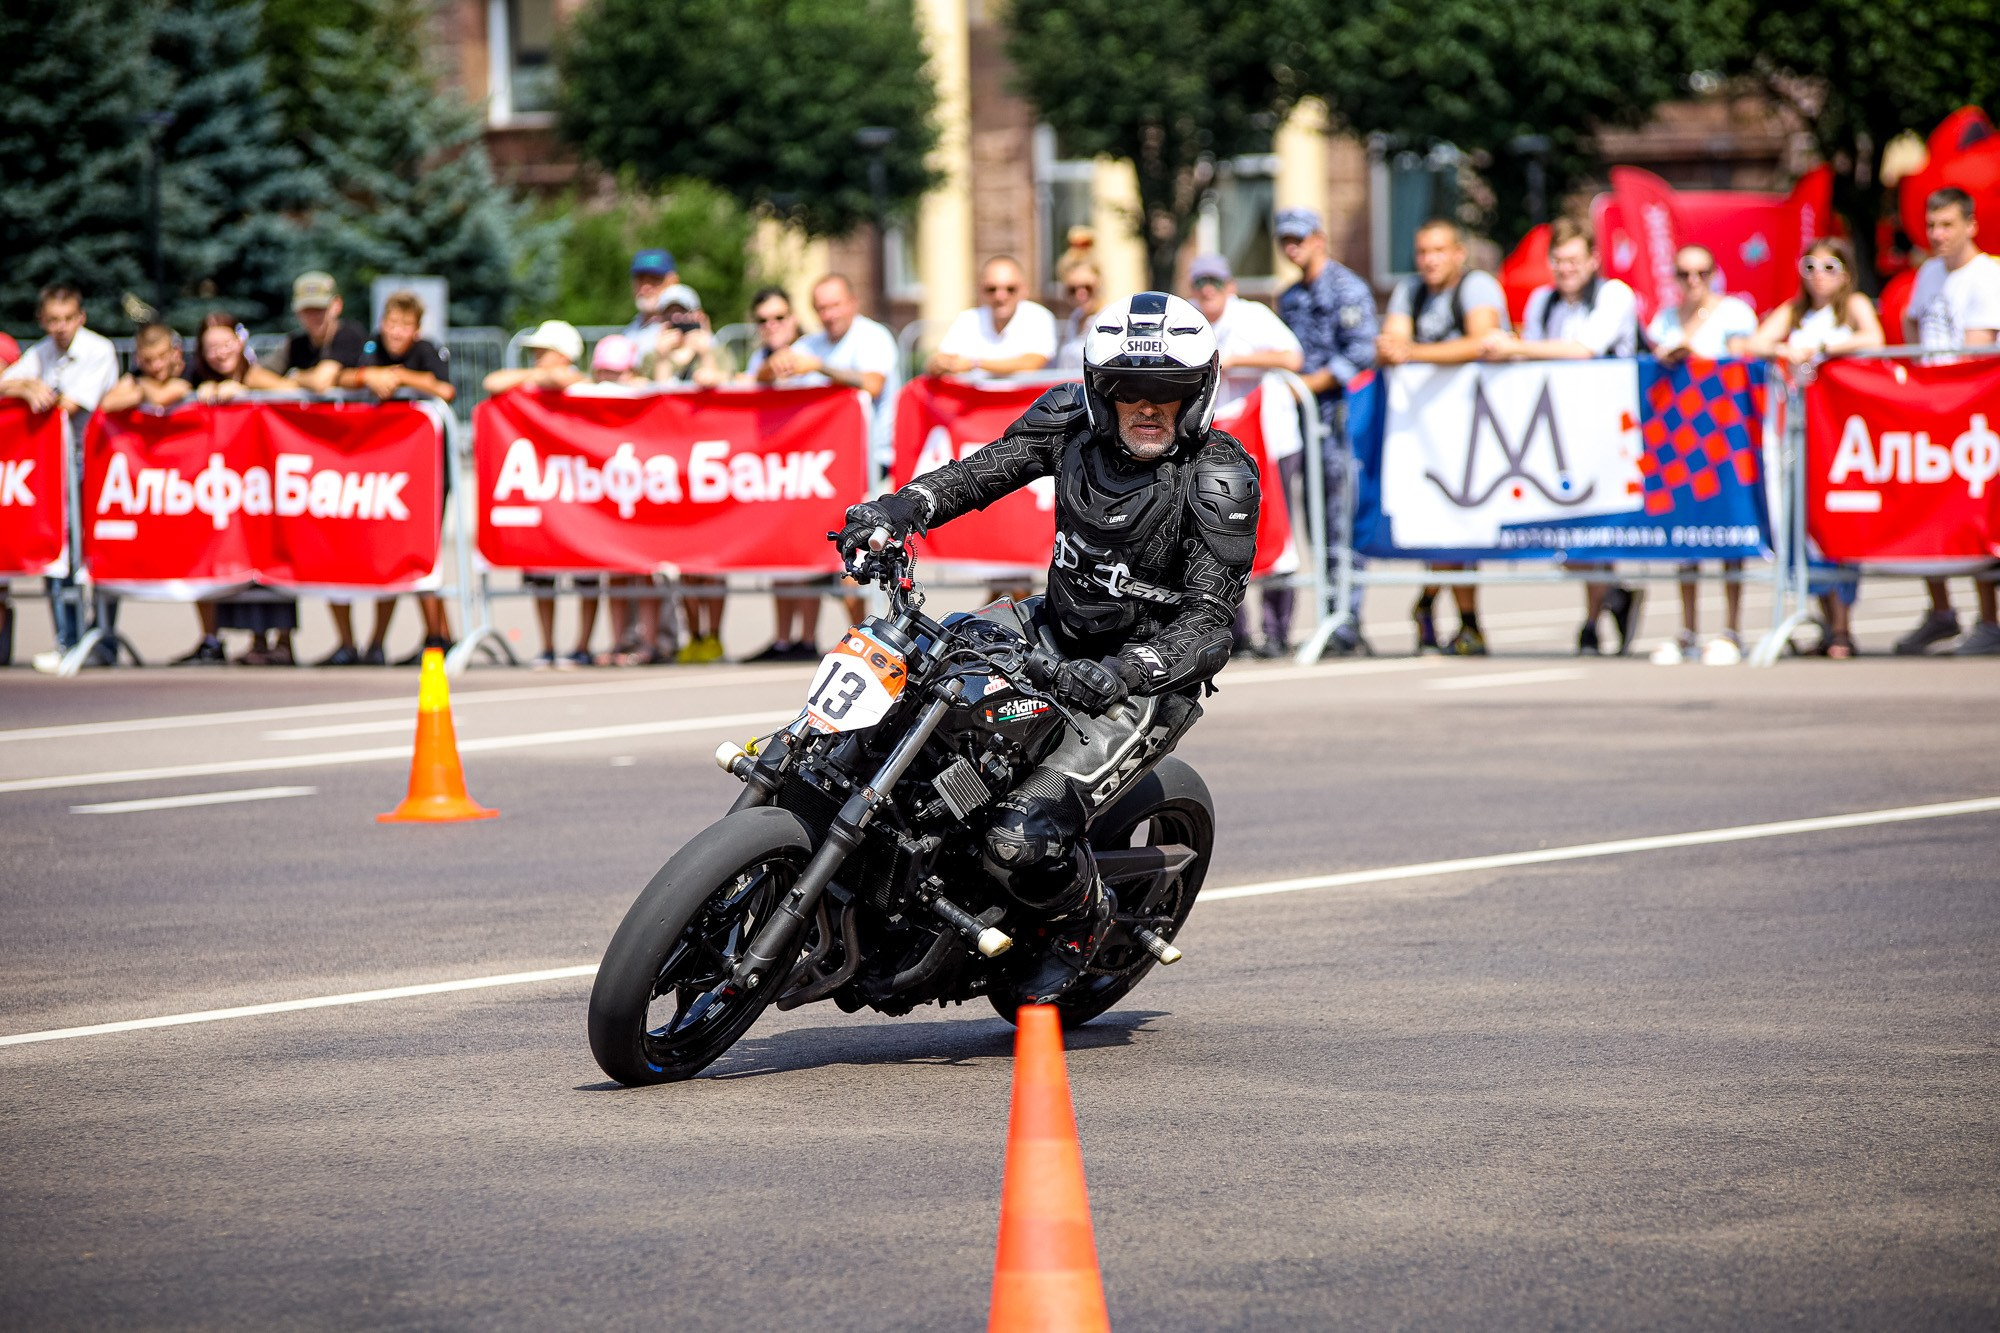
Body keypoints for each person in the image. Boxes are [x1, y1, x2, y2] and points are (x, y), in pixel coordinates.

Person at [835, 291, 1257, 1005]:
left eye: (1168, 392)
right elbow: (979, 473)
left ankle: (1078, 924)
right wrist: (897, 510)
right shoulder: (1067, 419)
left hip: (1141, 679)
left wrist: (1126, 669)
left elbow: (1211, 622)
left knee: (1016, 836)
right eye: (1130, 390)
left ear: (1198, 393)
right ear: (1101, 390)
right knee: (902, 698)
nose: (1148, 407)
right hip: (1046, 624)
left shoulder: (1218, 477)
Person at [1485, 216, 1644, 655]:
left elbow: (1583, 350)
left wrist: (1514, 346)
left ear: (1593, 260)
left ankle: (1594, 619)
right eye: (1558, 260)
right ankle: (1612, 596)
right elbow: (1536, 354)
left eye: (1574, 259)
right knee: (1566, 529)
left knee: (1594, 522)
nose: (1566, 269)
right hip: (1559, 427)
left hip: (1611, 426)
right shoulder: (1543, 301)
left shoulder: (1614, 296)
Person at [1744, 238, 1886, 660]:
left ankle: (1843, 626)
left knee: (1835, 523)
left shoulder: (1854, 305)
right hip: (1801, 434)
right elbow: (1754, 344)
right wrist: (1785, 348)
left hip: (1841, 434)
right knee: (1804, 527)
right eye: (1810, 265)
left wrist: (1822, 349)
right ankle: (1828, 622)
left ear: (1844, 271)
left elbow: (1873, 338)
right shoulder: (1795, 311)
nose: (1819, 275)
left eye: (1829, 266)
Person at [1379, 218, 1511, 656]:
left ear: (1459, 253)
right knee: (1441, 521)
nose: (1429, 260)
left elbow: (1480, 341)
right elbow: (1393, 340)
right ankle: (1465, 621)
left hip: (1481, 425)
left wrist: (1413, 353)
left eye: (1439, 251)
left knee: (1463, 524)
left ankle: (1433, 603)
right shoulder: (1411, 290)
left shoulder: (1478, 286)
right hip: (1429, 428)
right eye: (1422, 252)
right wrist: (1398, 348)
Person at [320, 290, 454, 665]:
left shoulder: (427, 350)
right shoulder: (371, 347)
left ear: (416, 329)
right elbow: (341, 377)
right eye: (391, 324)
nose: (395, 333)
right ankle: (373, 644)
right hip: (377, 468)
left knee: (418, 553)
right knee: (382, 551)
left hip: (422, 471)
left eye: (404, 326)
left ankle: (438, 636)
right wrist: (369, 375)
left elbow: (445, 389)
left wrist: (402, 377)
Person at [1894, 186, 2000, 655]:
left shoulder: (1986, 276)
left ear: (1971, 225)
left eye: (1947, 225)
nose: (1937, 235)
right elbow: (1912, 321)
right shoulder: (1929, 273)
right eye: (1932, 225)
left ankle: (1990, 619)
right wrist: (1920, 376)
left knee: (1973, 514)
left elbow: (1973, 353)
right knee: (1926, 511)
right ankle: (1941, 612)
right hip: (1933, 412)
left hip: (1973, 414)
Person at [1643, 245, 1759, 665]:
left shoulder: (1734, 313)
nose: (1693, 282)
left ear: (1714, 274)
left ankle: (1731, 628)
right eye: (1684, 273)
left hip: (1725, 434)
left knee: (1729, 531)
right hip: (1681, 437)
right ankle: (1687, 630)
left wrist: (1699, 359)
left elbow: (1744, 363)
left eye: (1701, 273)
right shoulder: (1666, 317)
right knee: (1686, 535)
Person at [2, 283, 123, 672]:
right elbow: (7, 384)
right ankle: (67, 639)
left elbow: (68, 405)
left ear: (81, 317)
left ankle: (101, 637)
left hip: (97, 464)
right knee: (58, 551)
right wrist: (23, 384)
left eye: (68, 319)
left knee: (99, 551)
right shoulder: (41, 352)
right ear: (42, 320)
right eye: (53, 320)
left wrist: (38, 391)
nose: (60, 328)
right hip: (54, 470)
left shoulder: (97, 350)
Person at [1275, 207, 1378, 655]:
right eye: (1285, 240)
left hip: (1339, 421)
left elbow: (1360, 351)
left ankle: (1346, 618)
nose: (1292, 247)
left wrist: (1308, 386)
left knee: (1342, 524)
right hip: (1303, 423)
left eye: (1299, 238)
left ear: (1320, 238)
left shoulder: (1347, 288)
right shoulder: (1290, 297)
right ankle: (1329, 614)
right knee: (1316, 525)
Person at [1189, 254, 1303, 655]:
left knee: (1274, 533)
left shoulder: (1252, 316)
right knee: (1220, 538)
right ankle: (1233, 632)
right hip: (1220, 444)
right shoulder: (1193, 326)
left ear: (1230, 286)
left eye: (1215, 282)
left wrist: (1239, 360)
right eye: (1200, 283)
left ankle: (1276, 631)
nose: (1207, 290)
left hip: (1270, 441)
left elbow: (1292, 357)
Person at [485, 321, 599, 669]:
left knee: (586, 573)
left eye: (541, 352)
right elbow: (493, 383)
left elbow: (580, 383)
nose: (535, 359)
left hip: (579, 491)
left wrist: (557, 376)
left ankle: (582, 645)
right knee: (542, 572)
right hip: (542, 491)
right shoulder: (530, 385)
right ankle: (548, 645)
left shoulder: (582, 386)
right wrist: (535, 376)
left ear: (563, 355)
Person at [184, 312, 297, 665]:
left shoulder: (254, 374)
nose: (219, 353)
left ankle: (279, 642)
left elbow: (292, 391)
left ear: (240, 341)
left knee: (272, 559)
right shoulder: (198, 378)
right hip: (220, 487)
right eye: (211, 347)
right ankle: (226, 640)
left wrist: (246, 390)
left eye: (225, 344)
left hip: (263, 484)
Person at [926, 256, 1058, 376]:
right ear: (980, 290)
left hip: (1028, 401)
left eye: (1010, 289)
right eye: (991, 289)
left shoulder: (1038, 317)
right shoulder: (968, 319)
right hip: (978, 401)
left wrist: (974, 363)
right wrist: (940, 364)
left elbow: (1032, 363)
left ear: (1024, 290)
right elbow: (940, 359)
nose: (1000, 296)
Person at [273, 271, 367, 391]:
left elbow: (321, 381)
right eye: (307, 310)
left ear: (336, 305)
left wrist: (296, 376)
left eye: (320, 309)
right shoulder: (296, 343)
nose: (314, 317)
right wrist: (288, 386)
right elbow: (254, 376)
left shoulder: (349, 334)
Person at [644, 284, 726, 387]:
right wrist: (662, 358)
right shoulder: (651, 356)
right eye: (669, 313)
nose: (676, 317)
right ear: (661, 318)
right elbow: (659, 394)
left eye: (682, 311)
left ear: (698, 316)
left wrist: (705, 354)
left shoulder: (718, 352)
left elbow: (724, 385)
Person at [622, 248, 679, 344]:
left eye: (654, 279)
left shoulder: (684, 327)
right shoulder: (629, 332)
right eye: (640, 279)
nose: (645, 287)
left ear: (673, 281)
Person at [1055, 260, 1104, 370]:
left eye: (1088, 287)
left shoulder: (1110, 319)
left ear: (1099, 284)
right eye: (1072, 290)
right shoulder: (1075, 317)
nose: (1080, 295)